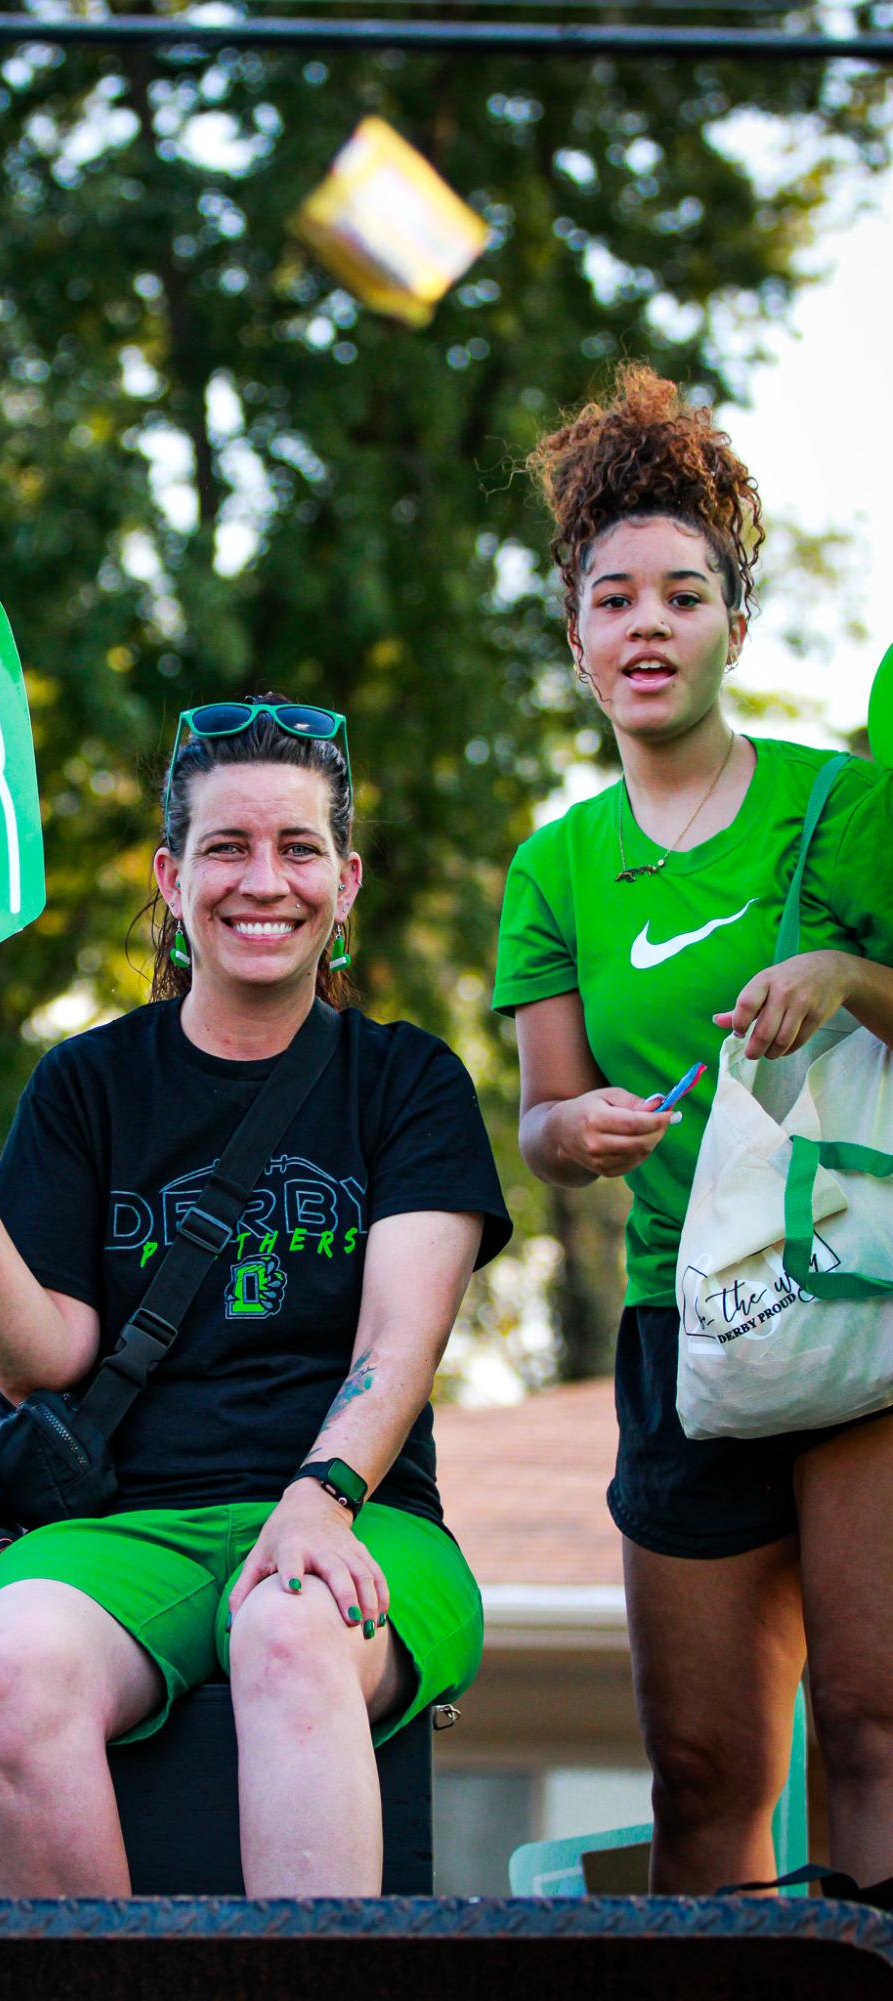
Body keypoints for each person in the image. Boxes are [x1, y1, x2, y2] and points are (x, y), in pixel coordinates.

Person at [0, 697, 511, 1897]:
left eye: (296, 847)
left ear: (346, 879)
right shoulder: (84, 1085)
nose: (262, 882)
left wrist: (320, 1499)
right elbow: (38, 1360)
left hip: (361, 1522)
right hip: (130, 1532)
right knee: (5, 1663)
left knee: (287, 1624)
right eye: (225, 848)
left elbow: (398, 1338)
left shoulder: (410, 1080)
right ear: (169, 878)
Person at [493, 363, 893, 1894]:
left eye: (680, 594)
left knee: (870, 1725)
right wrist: (567, 1132)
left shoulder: (837, 808)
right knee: (705, 1770)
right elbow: (539, 1119)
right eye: (612, 600)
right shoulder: (557, 867)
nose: (645, 624)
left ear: (734, 622)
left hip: (860, 1308)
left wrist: (851, 973)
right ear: (578, 640)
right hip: (685, 1325)